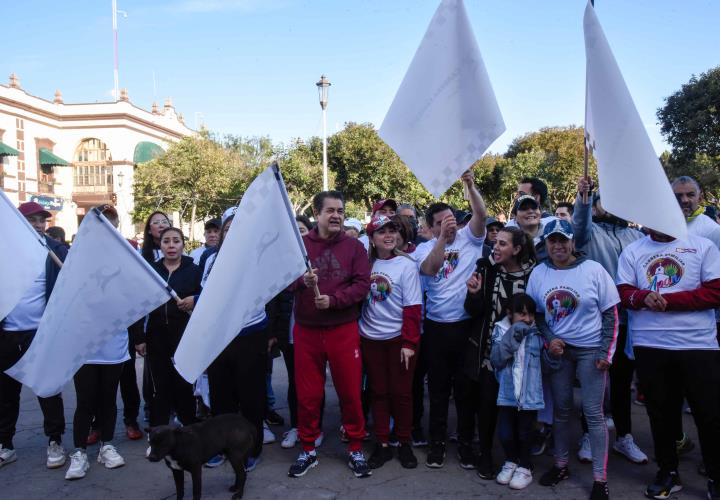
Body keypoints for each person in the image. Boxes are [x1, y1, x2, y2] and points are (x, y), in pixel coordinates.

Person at [616, 227, 720, 500]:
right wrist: (641, 297)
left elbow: (716, 291)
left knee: (708, 414)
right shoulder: (634, 250)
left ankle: (715, 475)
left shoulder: (702, 246)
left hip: (697, 345)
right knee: (661, 414)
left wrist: (668, 301)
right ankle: (668, 472)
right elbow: (623, 291)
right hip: (650, 345)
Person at [526, 220, 619, 500]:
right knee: (561, 410)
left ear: (572, 243)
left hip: (591, 350)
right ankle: (561, 465)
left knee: (593, 413)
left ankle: (600, 480)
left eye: (563, 240)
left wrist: (606, 352)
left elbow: (611, 313)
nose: (558, 246)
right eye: (552, 241)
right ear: (546, 244)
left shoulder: (593, 270)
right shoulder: (539, 273)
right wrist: (549, 338)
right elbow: (537, 314)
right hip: (560, 351)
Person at [287, 191, 371, 478]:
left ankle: (356, 446)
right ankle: (308, 448)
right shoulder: (300, 246)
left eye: (340, 211)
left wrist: (334, 301)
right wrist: (301, 281)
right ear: (317, 213)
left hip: (342, 330)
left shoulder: (355, 247)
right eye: (330, 210)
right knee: (308, 395)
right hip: (307, 332)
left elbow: (362, 285)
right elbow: (284, 282)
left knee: (349, 392)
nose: (336, 215)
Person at [414, 171, 488, 469]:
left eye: (452, 220)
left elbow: (481, 215)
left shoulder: (471, 239)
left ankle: (467, 444)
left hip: (466, 326)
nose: (450, 225)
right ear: (430, 228)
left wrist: (470, 185)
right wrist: (442, 241)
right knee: (439, 390)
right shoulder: (423, 247)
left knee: (466, 390)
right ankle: (437, 444)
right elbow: (431, 269)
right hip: (436, 328)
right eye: (441, 222)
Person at [573, 179, 647, 464]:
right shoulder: (589, 233)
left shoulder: (635, 236)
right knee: (595, 382)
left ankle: (624, 437)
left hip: (629, 320)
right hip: (598, 321)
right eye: (604, 199)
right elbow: (578, 228)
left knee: (621, 382)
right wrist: (584, 197)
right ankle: (590, 435)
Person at [463, 226, 536, 478]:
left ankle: (519, 460)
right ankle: (485, 454)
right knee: (487, 407)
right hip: (489, 354)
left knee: (519, 412)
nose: (496, 246)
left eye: (503, 244)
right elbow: (474, 311)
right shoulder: (487, 270)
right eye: (496, 242)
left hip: (523, 357)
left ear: (517, 249)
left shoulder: (533, 275)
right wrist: (473, 295)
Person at [0, 202, 67, 469]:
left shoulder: (53, 251)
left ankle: (55, 441)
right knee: (5, 394)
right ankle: (5, 444)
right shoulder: (5, 252)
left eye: (42, 220)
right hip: (7, 335)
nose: (39, 225)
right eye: (32, 220)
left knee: (47, 389)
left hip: (40, 334)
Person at [200, 213, 269, 470]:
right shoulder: (210, 260)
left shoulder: (258, 259)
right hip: (220, 338)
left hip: (250, 336)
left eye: (238, 228)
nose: (232, 232)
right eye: (228, 228)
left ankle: (252, 448)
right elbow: (207, 296)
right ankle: (219, 446)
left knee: (251, 398)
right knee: (221, 397)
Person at [65, 210, 129, 479]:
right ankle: (79, 452)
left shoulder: (126, 258)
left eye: (111, 225)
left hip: (114, 345)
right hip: (85, 344)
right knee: (85, 401)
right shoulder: (75, 259)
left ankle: (107, 446)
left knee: (108, 400)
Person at [360, 215, 422, 470]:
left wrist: (409, 342)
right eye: (381, 231)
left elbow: (413, 306)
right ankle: (382, 443)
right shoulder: (365, 264)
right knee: (379, 392)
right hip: (370, 338)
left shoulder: (406, 265)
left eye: (392, 231)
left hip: (399, 340)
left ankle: (404, 442)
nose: (388, 236)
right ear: (372, 238)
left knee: (402, 394)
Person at [136, 227, 200, 431]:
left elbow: (207, 300)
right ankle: (158, 431)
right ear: (160, 245)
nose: (171, 246)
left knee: (184, 383)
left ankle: (188, 428)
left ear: (183, 244)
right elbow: (139, 306)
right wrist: (140, 338)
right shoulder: (151, 271)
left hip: (185, 336)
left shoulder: (194, 270)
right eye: (166, 241)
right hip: (156, 336)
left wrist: (194, 301)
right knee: (160, 386)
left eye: (176, 241)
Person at [491, 293, 556, 490]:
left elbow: (547, 365)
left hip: (529, 394)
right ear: (510, 314)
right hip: (507, 392)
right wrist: (514, 335)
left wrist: (554, 353)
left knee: (524, 433)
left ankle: (525, 466)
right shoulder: (501, 330)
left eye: (530, 315)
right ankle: (511, 460)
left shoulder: (537, 334)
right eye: (522, 315)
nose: (527, 319)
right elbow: (497, 359)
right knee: (505, 433)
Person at [672, 176, 720, 247]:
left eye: (690, 195)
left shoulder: (712, 230)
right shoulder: (660, 228)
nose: (685, 200)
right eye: (678, 196)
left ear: (700, 198)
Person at [509, 195, 556, 262]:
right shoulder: (508, 242)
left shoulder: (553, 236)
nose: (530, 211)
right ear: (515, 216)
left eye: (534, 207)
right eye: (524, 208)